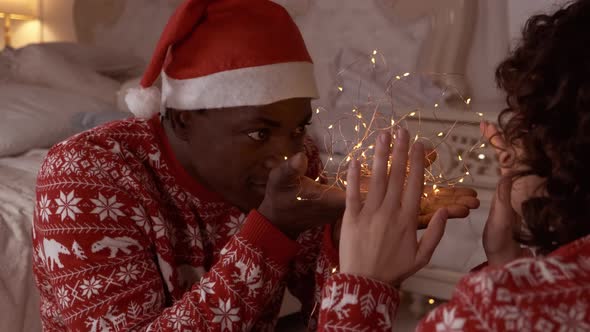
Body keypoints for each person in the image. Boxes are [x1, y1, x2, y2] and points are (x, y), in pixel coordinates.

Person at [31, 0, 478, 330]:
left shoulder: (300, 166)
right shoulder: (84, 176)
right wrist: (272, 231)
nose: (290, 154)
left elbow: (326, 318)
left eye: (298, 128)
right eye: (260, 132)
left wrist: (348, 242)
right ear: (184, 119)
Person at [318, 0, 590, 330]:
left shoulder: (494, 309)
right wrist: (507, 264)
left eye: (522, 124)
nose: (507, 145)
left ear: (559, 145)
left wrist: (360, 287)